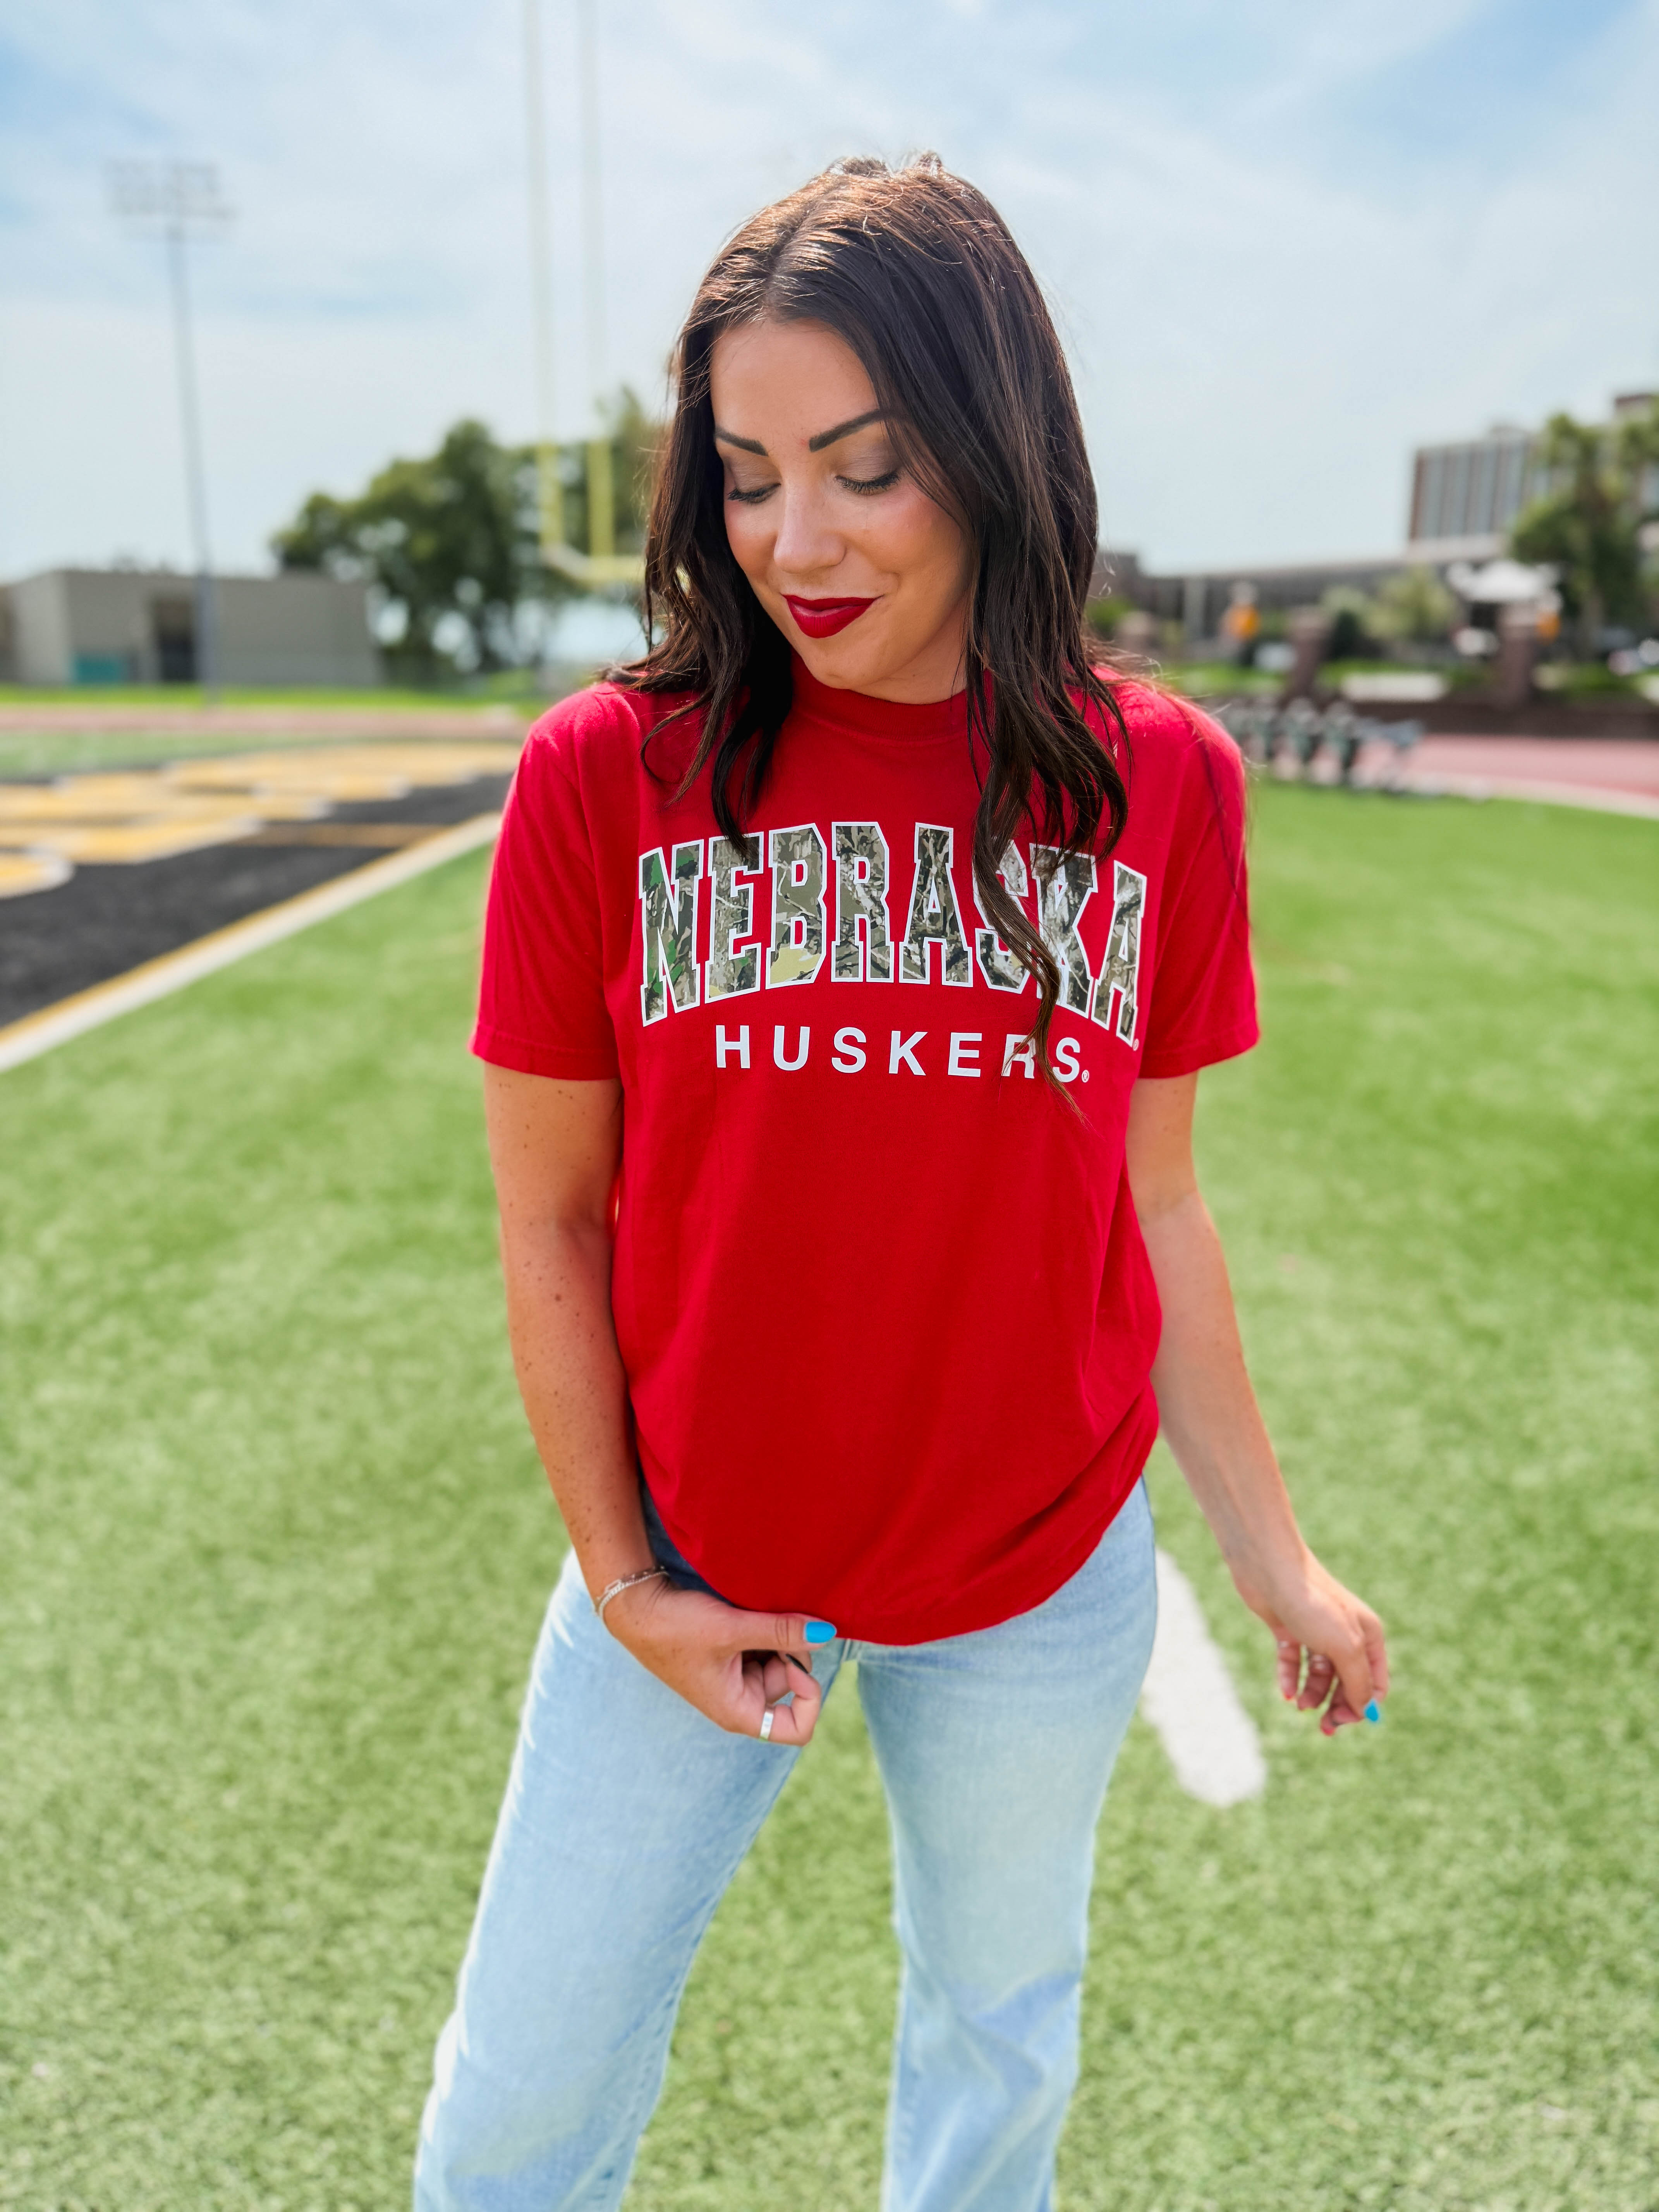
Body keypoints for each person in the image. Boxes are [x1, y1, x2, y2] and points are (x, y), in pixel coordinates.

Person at [414, 153, 1389, 2212]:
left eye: (865, 469)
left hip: (1035, 1577)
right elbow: (550, 1217)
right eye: (748, 476)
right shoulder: (605, 774)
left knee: (995, 2048)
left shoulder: (1162, 783)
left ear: (994, 444)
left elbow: (1157, 1207)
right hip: (694, 1548)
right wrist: (631, 1584)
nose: (798, 541)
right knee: (517, 2103)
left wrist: (1277, 1560)